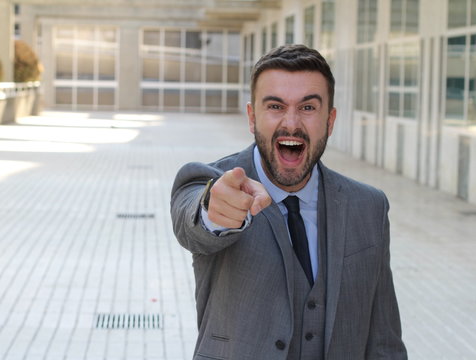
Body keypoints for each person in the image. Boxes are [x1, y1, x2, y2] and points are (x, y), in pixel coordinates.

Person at [170, 44, 407, 360]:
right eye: (276, 107)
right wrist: (216, 212)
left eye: (308, 108)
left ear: (330, 121)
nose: (292, 123)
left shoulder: (369, 207)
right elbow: (192, 220)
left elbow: (384, 341)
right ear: (252, 117)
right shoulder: (216, 183)